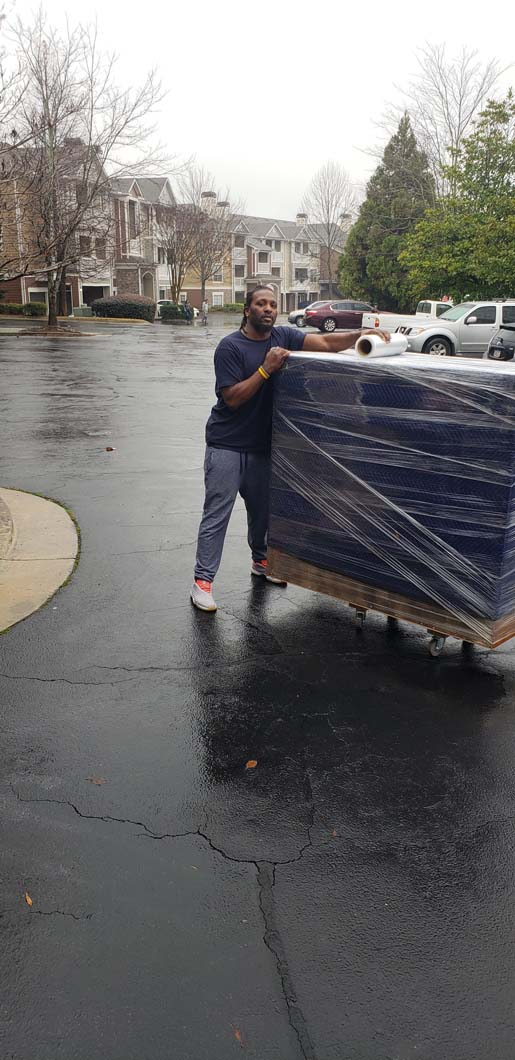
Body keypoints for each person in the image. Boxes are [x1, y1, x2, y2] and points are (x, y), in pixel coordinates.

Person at [190, 285, 390, 612]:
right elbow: (233, 398)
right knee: (217, 514)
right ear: (247, 310)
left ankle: (260, 561)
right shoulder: (230, 347)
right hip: (227, 444)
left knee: (262, 513)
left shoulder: (282, 336)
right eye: (261, 304)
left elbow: (325, 343)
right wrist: (265, 369)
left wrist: (360, 335)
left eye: (272, 304)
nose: (268, 309)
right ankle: (203, 581)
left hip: (262, 447)